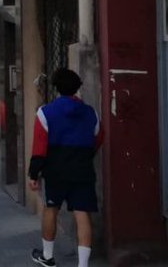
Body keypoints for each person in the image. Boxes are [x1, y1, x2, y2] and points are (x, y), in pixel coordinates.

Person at [29, 69, 102, 267]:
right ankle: (83, 264)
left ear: (56, 88)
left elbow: (39, 147)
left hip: (55, 171)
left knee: (50, 209)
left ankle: (47, 256)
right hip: (83, 170)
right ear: (78, 87)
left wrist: (33, 174)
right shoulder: (90, 113)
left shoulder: (45, 112)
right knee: (82, 213)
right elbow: (97, 138)